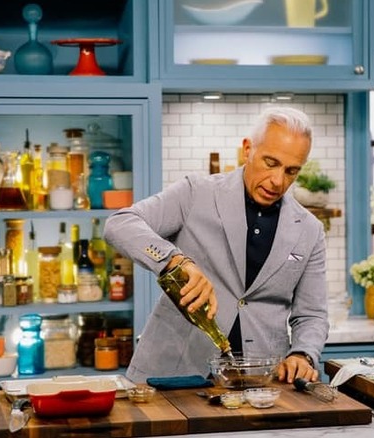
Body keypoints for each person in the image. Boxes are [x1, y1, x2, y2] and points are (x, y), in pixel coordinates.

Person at [104, 106, 329, 384]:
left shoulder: (310, 230)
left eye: (291, 171)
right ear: (248, 149)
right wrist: (175, 261)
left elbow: (312, 315)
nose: (278, 181)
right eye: (271, 163)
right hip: (172, 374)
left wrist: (303, 354)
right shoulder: (195, 192)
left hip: (261, 383)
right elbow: (119, 223)